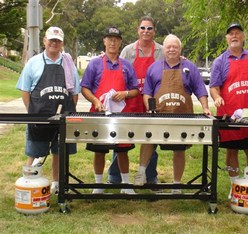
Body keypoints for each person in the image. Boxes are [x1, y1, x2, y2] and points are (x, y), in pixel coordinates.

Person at [134, 34, 211, 193]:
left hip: (181, 116)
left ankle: (176, 184)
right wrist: (149, 108)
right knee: (148, 141)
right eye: (168, 46)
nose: (171, 49)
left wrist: (205, 107)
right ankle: (141, 173)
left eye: (175, 46)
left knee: (179, 149)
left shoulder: (189, 67)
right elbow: (147, 93)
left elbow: (200, 89)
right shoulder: (154, 68)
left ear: (180, 49)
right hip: (158, 115)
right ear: (164, 49)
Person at [16, 26, 80, 194]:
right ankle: (28, 184)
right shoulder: (33, 62)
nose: (54, 43)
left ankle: (57, 183)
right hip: (39, 117)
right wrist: (32, 112)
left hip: (62, 118)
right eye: (51, 40)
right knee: (34, 151)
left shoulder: (68, 64)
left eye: (57, 41)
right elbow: (25, 90)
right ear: (45, 41)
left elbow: (74, 93)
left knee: (59, 152)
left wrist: (68, 111)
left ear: (62, 43)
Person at [209, 22, 248, 199]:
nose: (234, 36)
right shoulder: (220, 61)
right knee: (231, 151)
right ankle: (235, 186)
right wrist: (217, 97)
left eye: (237, 33)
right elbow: (213, 87)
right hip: (229, 116)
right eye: (230, 34)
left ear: (243, 37)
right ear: (226, 38)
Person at [80, 26, 139, 194]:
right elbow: (84, 87)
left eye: (116, 39)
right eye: (109, 39)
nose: (112, 42)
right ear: (104, 41)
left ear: (120, 42)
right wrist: (95, 100)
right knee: (99, 151)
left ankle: (125, 185)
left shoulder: (127, 65)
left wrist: (125, 93)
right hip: (99, 114)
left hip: (121, 115)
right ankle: (98, 185)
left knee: (122, 150)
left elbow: (135, 90)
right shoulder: (95, 64)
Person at [108, 16, 163, 185]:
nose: (146, 31)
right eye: (143, 28)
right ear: (137, 30)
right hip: (130, 100)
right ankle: (115, 176)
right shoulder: (128, 51)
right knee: (121, 138)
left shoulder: (161, 51)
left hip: (151, 100)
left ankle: (150, 176)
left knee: (150, 139)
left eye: (150, 28)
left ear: (154, 31)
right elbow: (119, 72)